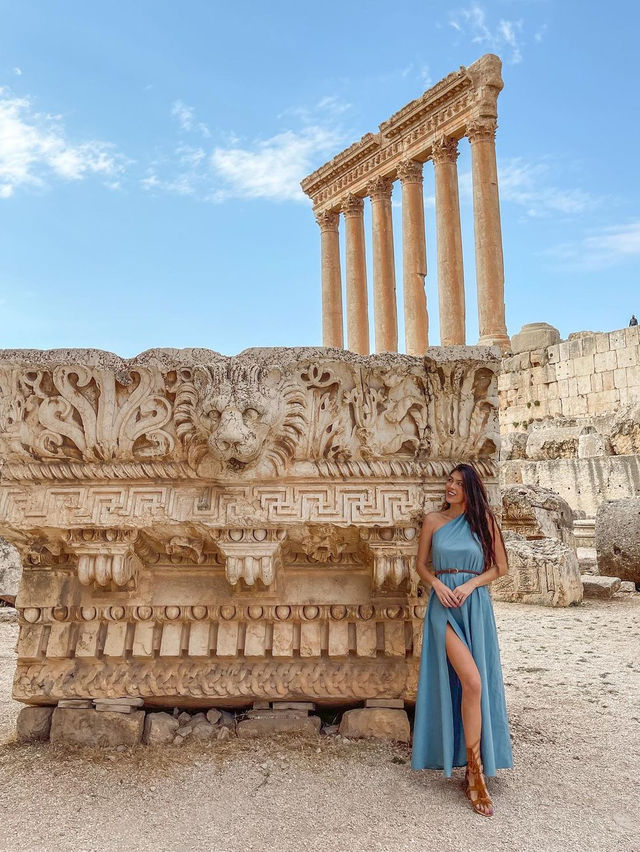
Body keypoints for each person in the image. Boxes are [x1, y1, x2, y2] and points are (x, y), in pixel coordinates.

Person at [411, 463, 513, 817]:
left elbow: (500, 567)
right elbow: (421, 565)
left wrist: (470, 585)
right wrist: (437, 584)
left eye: (458, 483)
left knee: (475, 684)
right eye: (449, 481)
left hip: (474, 605)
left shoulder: (484, 521)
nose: (450, 487)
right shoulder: (433, 521)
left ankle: (474, 768)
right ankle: (472, 771)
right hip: (443, 607)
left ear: (471, 488)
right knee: (471, 681)